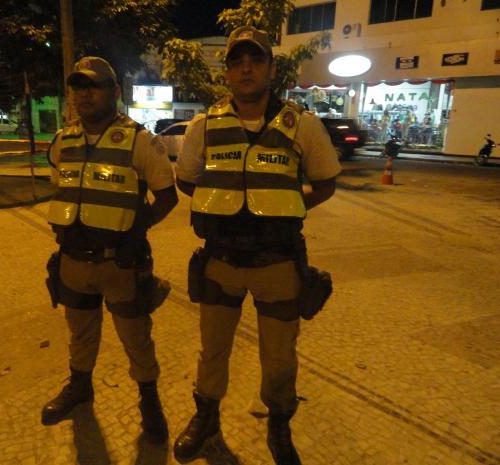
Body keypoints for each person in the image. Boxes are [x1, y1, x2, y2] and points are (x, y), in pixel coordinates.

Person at [173, 26, 341, 465]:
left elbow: (325, 182)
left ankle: (279, 424)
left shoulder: (302, 124)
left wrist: (284, 209)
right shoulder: (204, 125)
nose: (246, 69)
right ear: (227, 72)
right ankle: (206, 417)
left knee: (280, 357)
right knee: (212, 350)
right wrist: (225, 207)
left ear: (271, 68)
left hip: (277, 263)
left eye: (255, 60)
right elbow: (187, 181)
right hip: (221, 260)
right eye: (237, 61)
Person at [43, 56, 178, 445]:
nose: (84, 94)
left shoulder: (140, 140)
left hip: (120, 263)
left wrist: (137, 229)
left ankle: (149, 402)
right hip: (73, 260)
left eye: (94, 86)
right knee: (80, 333)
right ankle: (80, 387)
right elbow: (61, 188)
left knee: (136, 339)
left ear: (115, 92)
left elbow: (167, 197)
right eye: (78, 87)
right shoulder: (63, 140)